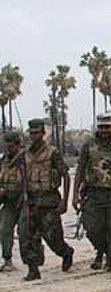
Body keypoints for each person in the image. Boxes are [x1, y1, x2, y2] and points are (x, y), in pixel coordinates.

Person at [73, 114, 111, 278]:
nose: (104, 131)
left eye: (107, 127)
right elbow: (80, 169)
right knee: (92, 229)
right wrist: (75, 194)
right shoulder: (89, 145)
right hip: (93, 194)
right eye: (101, 127)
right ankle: (106, 252)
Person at [20, 119, 74, 281]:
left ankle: (66, 252)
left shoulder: (52, 152)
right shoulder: (25, 154)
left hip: (49, 202)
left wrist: (65, 200)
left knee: (53, 238)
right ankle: (33, 268)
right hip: (31, 202)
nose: (34, 136)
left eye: (37, 132)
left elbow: (65, 175)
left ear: (43, 133)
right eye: (31, 133)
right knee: (26, 236)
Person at [0, 131, 23, 272]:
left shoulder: (25, 159)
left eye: (11, 146)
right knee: (4, 229)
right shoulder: (4, 161)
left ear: (18, 144)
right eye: (7, 146)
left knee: (25, 231)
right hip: (9, 202)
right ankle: (7, 259)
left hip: (25, 201)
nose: (9, 149)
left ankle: (34, 257)